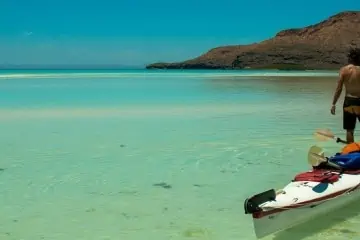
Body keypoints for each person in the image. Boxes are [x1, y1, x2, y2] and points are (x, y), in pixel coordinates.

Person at [331, 47, 360, 143]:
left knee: (349, 129)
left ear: (350, 58)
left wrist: (334, 104)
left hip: (349, 101)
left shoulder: (344, 70)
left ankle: (351, 151)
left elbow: (339, 89)